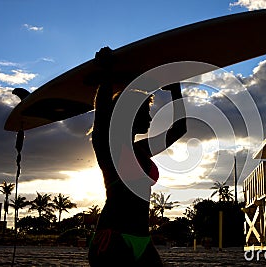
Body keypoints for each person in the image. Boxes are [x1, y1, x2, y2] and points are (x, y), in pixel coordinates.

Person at [88, 47, 187, 266]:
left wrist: (175, 90)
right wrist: (106, 71)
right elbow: (102, 114)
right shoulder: (107, 146)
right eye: (146, 110)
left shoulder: (141, 148)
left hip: (142, 238)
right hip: (113, 238)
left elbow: (180, 129)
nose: (151, 117)